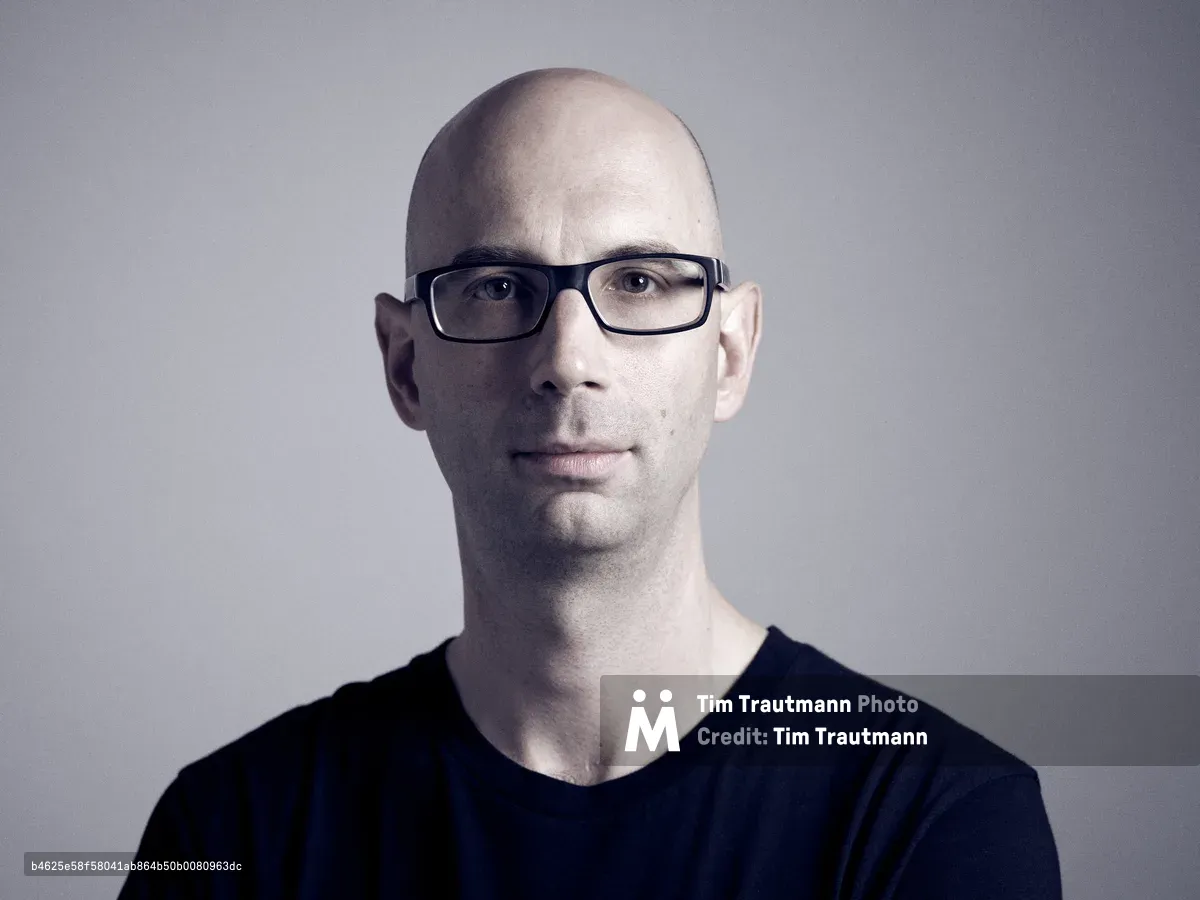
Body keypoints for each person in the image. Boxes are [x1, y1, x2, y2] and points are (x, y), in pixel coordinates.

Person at [119, 67, 1061, 899]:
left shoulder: (935, 818)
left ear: (730, 354)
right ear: (405, 367)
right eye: (497, 287)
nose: (568, 360)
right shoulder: (231, 833)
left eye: (640, 282)